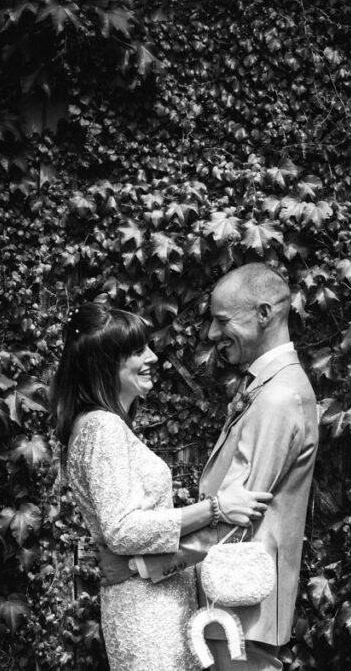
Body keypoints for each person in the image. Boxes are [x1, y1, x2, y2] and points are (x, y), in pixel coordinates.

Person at [97, 264, 320, 671]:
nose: (213, 333)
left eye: (222, 320)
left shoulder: (278, 397)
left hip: (243, 607)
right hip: (233, 608)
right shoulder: (270, 387)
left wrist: (138, 566)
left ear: (264, 313)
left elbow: (235, 517)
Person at [54, 301, 273, 671]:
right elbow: (122, 529)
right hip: (147, 613)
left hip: (151, 602)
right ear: (103, 363)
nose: (152, 357)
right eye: (137, 351)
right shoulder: (103, 427)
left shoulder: (97, 425)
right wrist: (215, 508)